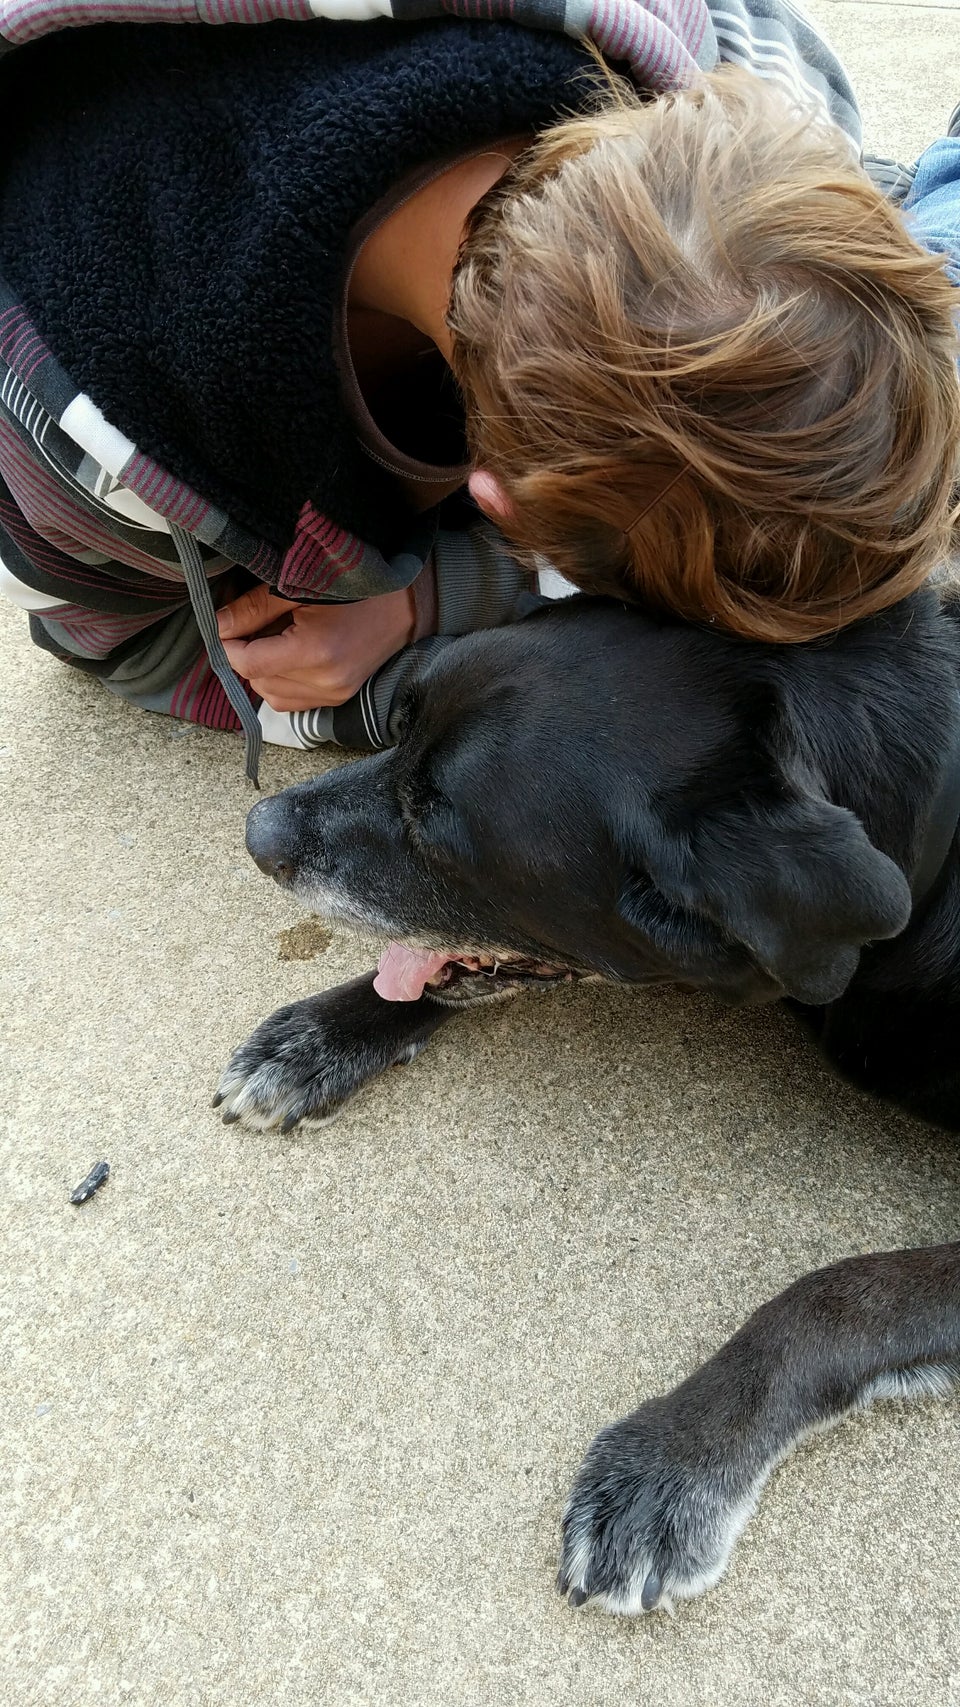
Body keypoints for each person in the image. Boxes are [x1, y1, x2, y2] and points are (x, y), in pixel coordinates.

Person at [0, 3, 956, 784]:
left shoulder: (729, 98)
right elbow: (119, 641)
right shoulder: (86, 458)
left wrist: (429, 598)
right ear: (495, 502)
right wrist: (424, 621)